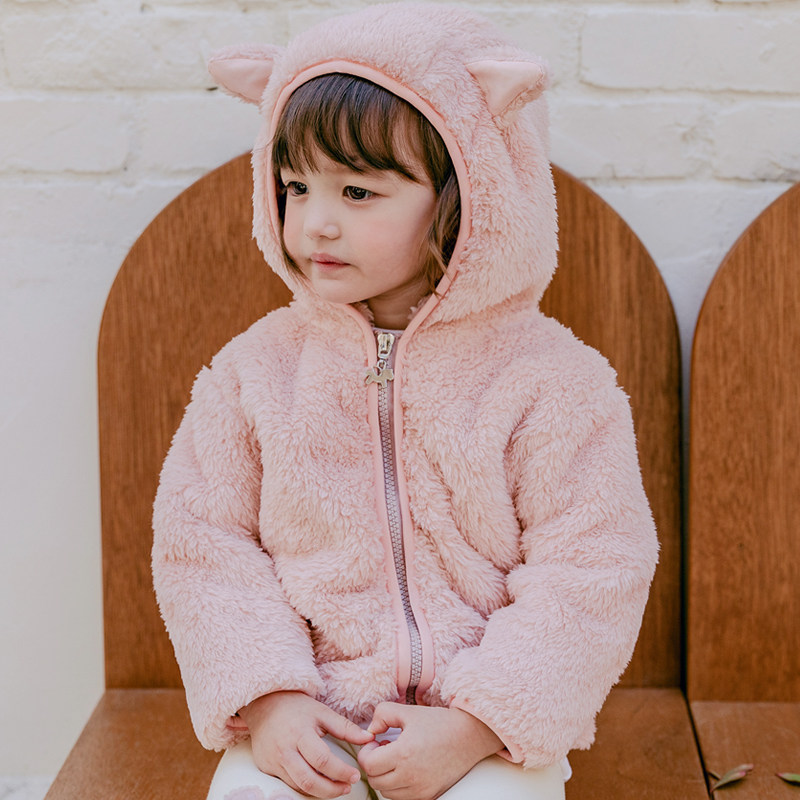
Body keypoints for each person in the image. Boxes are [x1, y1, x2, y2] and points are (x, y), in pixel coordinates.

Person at [151, 4, 659, 800]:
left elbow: (594, 566)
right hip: (307, 719)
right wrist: (270, 696)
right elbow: (202, 545)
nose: (315, 223)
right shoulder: (252, 374)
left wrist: (482, 721)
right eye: (295, 187)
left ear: (467, 194)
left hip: (487, 728)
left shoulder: (555, 382)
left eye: (358, 191)